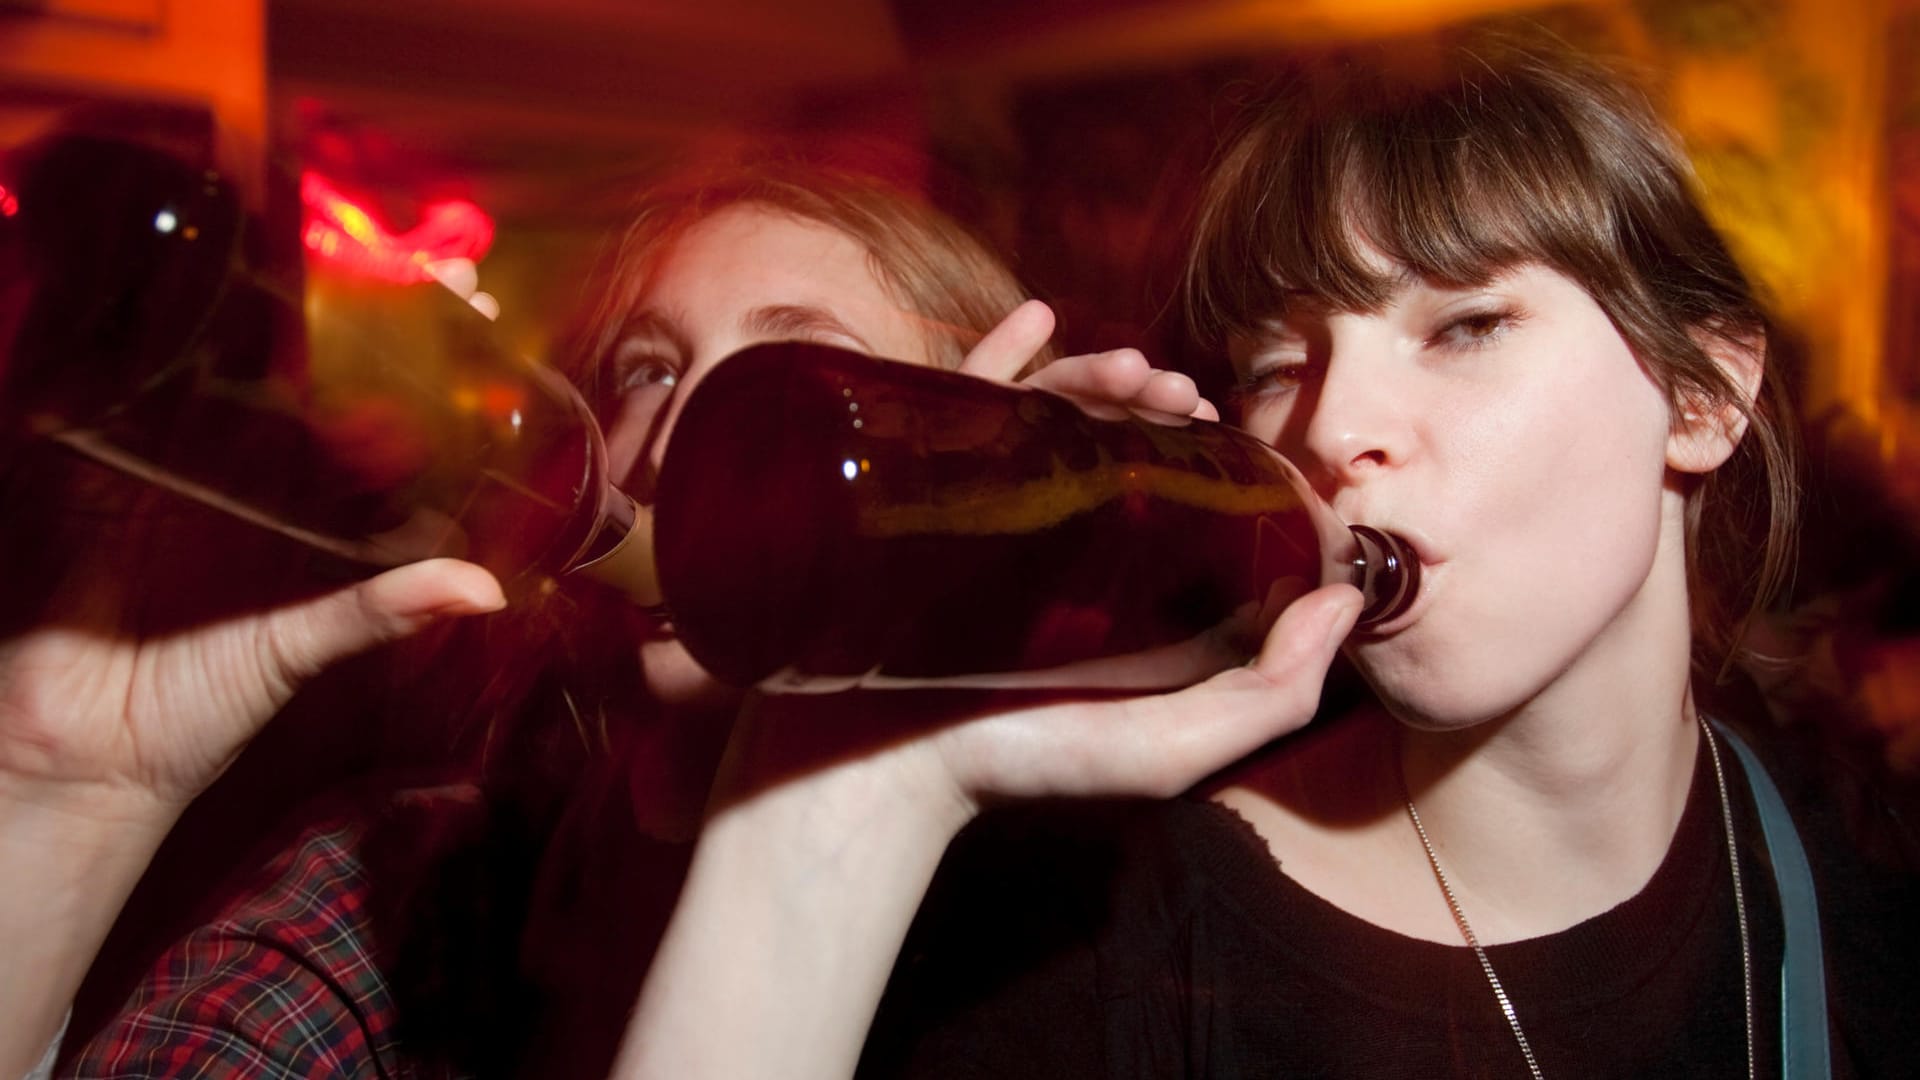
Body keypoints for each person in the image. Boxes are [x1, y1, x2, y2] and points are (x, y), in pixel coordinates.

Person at [617, 33, 1920, 1080]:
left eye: (1463, 324)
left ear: (1700, 399)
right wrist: (847, 794)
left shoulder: (1859, 854)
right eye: (1280, 363)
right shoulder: (1115, 956)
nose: (1334, 427)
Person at [0, 147, 1214, 1078]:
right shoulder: (409, 887)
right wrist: (66, 795)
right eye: (646, 368)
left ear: (983, 452)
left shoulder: (1114, 945)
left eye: (792, 376)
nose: (683, 437)